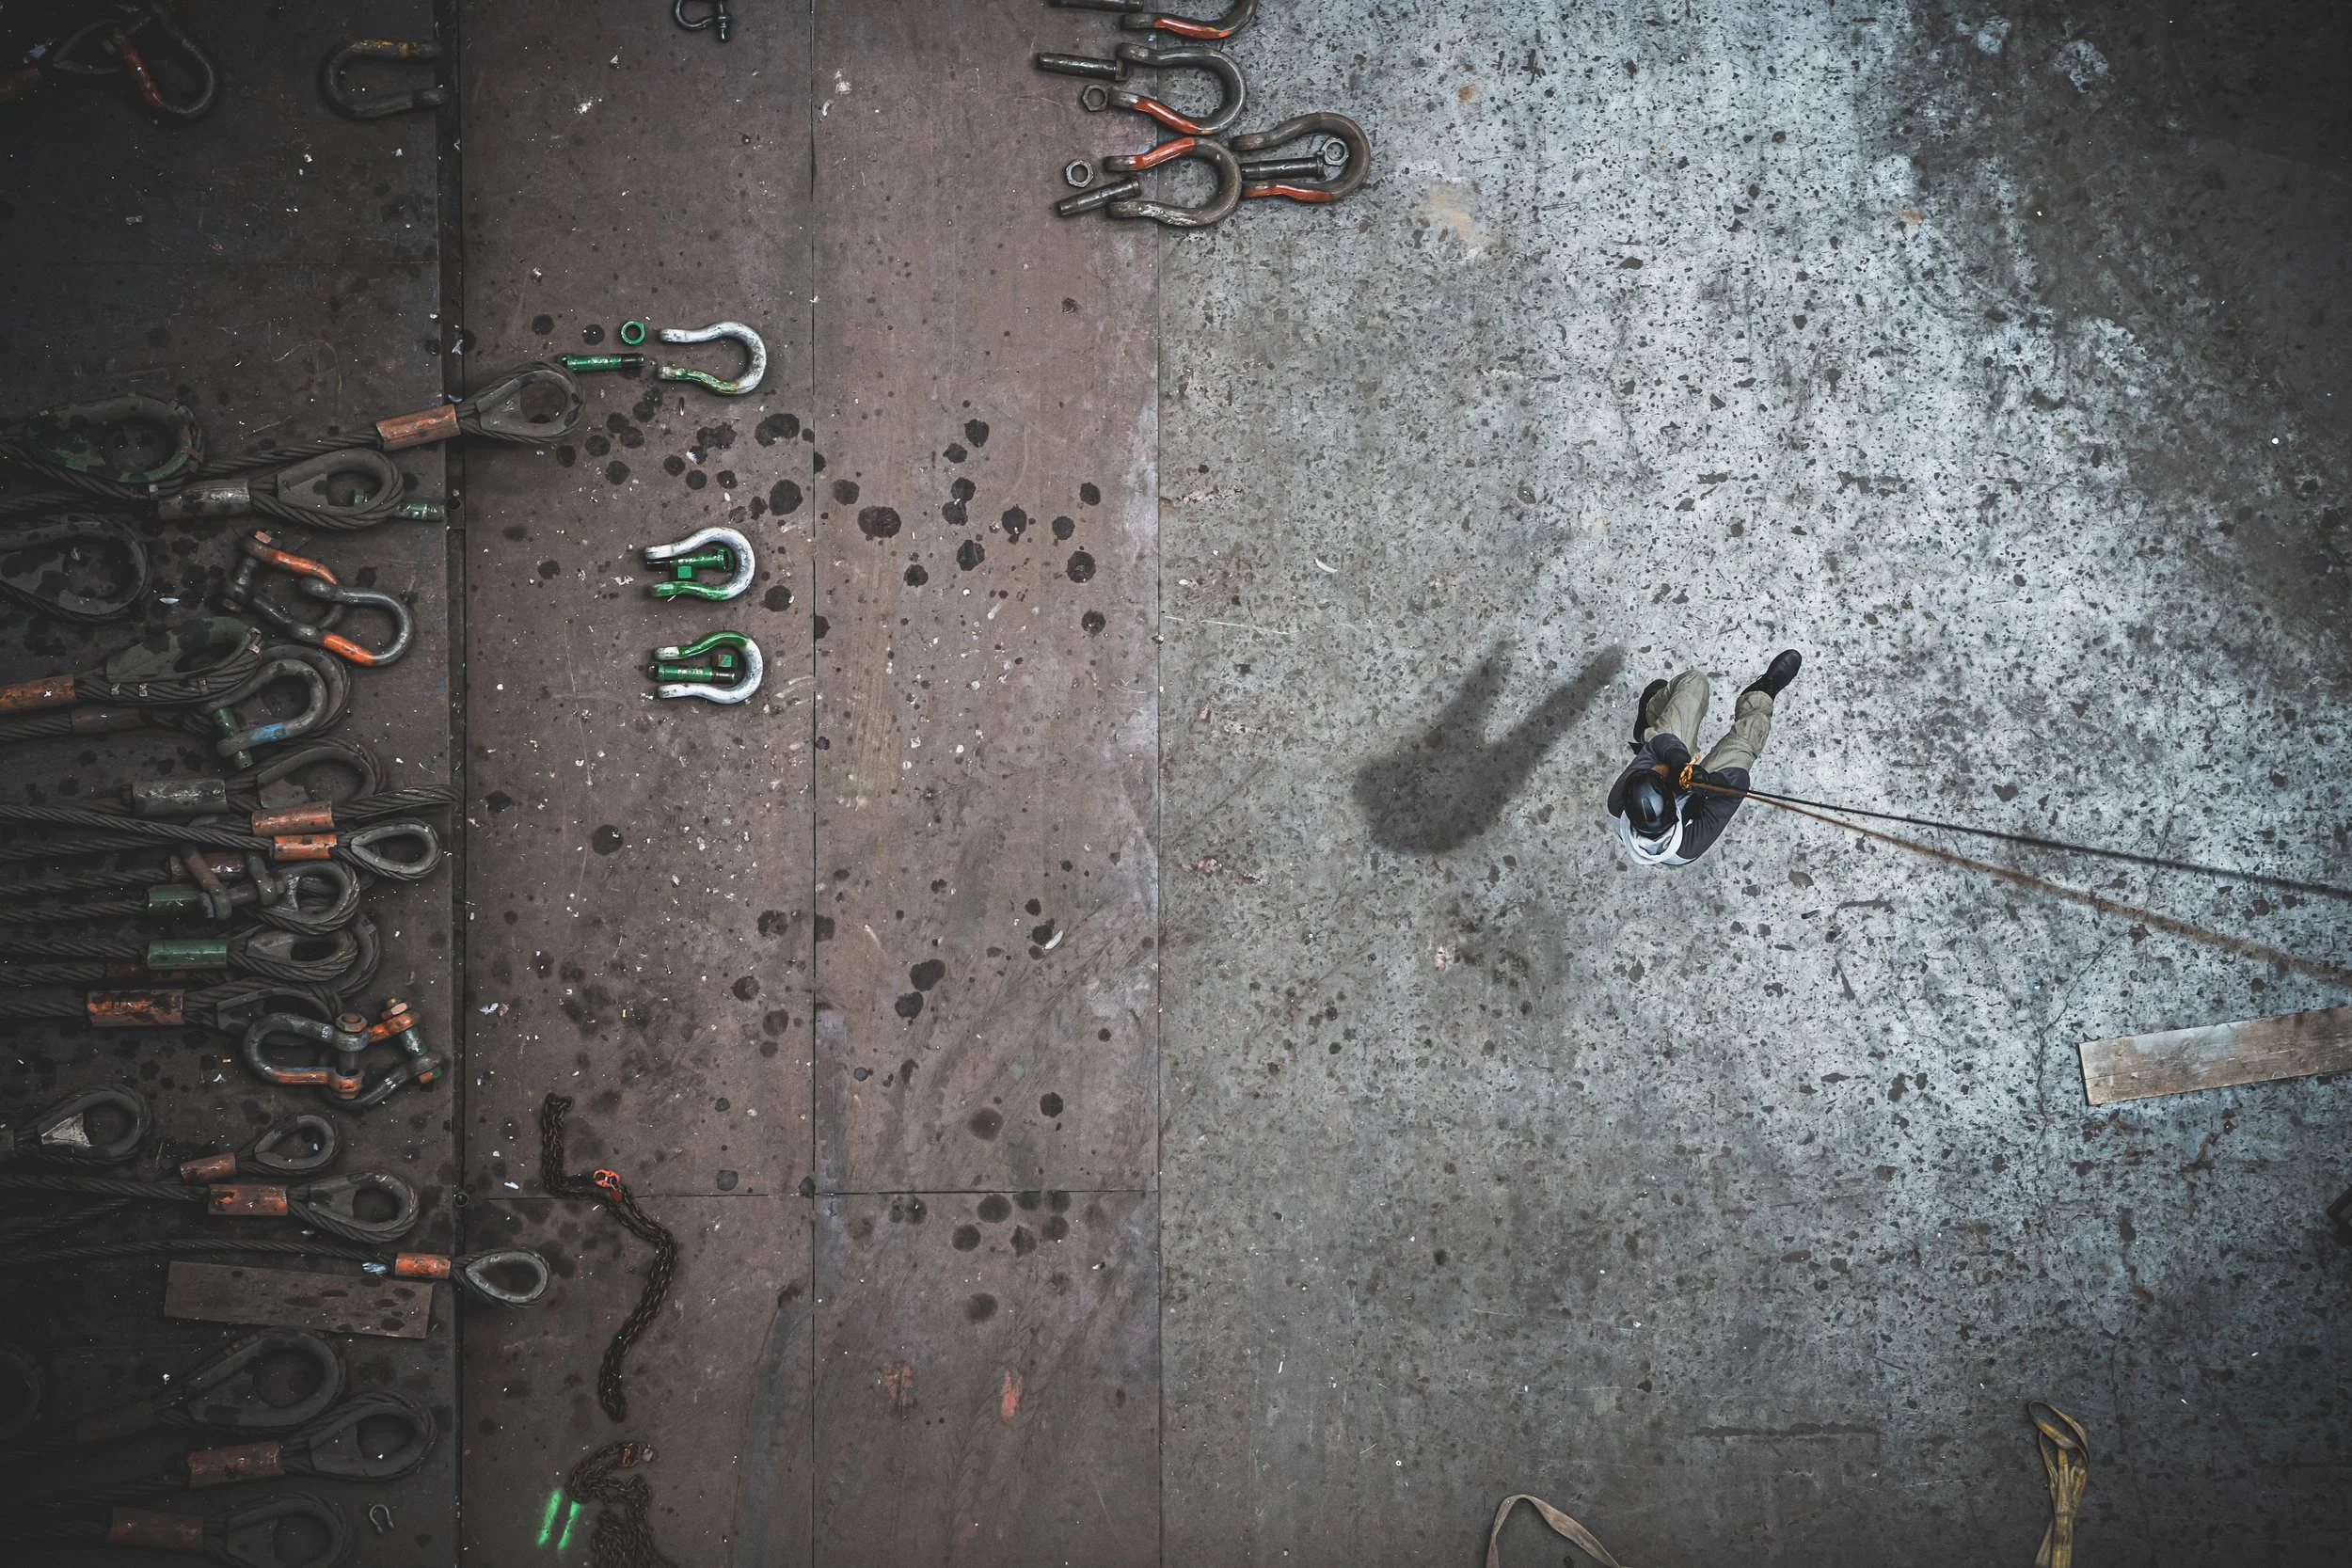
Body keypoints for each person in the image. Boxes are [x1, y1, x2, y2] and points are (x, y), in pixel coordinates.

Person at [1606, 650, 1802, 866]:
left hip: (1673, 763)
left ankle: (1650, 714)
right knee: (1745, 744)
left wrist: (1678, 761)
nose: (1655, 769)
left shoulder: (1618, 801)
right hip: (1704, 795)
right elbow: (1737, 787)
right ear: (1673, 810)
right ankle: (1760, 695)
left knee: (1694, 682)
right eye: (1658, 776)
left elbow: (1656, 747)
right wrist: (1712, 786)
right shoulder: (1689, 845)